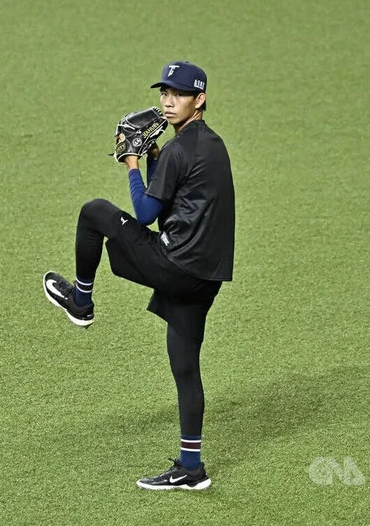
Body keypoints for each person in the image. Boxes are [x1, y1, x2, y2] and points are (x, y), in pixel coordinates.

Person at [42, 60, 235, 490]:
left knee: (94, 212)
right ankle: (191, 469)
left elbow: (146, 213)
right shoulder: (211, 144)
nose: (168, 101)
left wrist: (132, 161)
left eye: (179, 94)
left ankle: (81, 302)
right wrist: (153, 156)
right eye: (165, 92)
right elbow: (171, 202)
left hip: (175, 266)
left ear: (199, 100)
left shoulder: (180, 151)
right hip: (206, 277)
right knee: (185, 365)